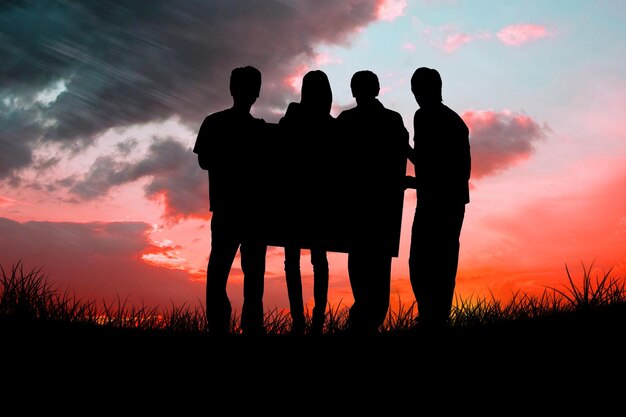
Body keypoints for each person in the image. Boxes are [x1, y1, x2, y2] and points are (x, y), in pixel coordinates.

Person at [193, 66, 268, 336]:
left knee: (219, 271)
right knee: (253, 275)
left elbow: (204, 161)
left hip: (227, 208)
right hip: (253, 211)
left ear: (231, 89)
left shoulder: (213, 122)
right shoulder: (260, 131)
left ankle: (219, 325)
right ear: (256, 93)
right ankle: (251, 326)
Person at [336, 70, 409, 335]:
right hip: (379, 211)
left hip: (361, 211)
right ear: (377, 90)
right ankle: (362, 325)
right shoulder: (391, 119)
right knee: (375, 277)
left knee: (364, 273)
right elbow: (405, 152)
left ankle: (359, 325)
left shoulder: (346, 121)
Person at [406, 67, 471, 328]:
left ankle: (434, 318)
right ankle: (432, 317)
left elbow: (439, 166)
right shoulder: (440, 118)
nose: (416, 94)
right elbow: (431, 164)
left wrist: (406, 158)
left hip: (443, 201)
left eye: (418, 89)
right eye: (414, 90)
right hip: (442, 200)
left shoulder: (436, 119)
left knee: (432, 261)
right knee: (431, 261)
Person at [278, 70, 334, 336]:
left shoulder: (293, 115)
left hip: (292, 200)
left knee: (292, 261)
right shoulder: (330, 124)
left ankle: (298, 318)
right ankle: (317, 320)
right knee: (319, 260)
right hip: (320, 202)